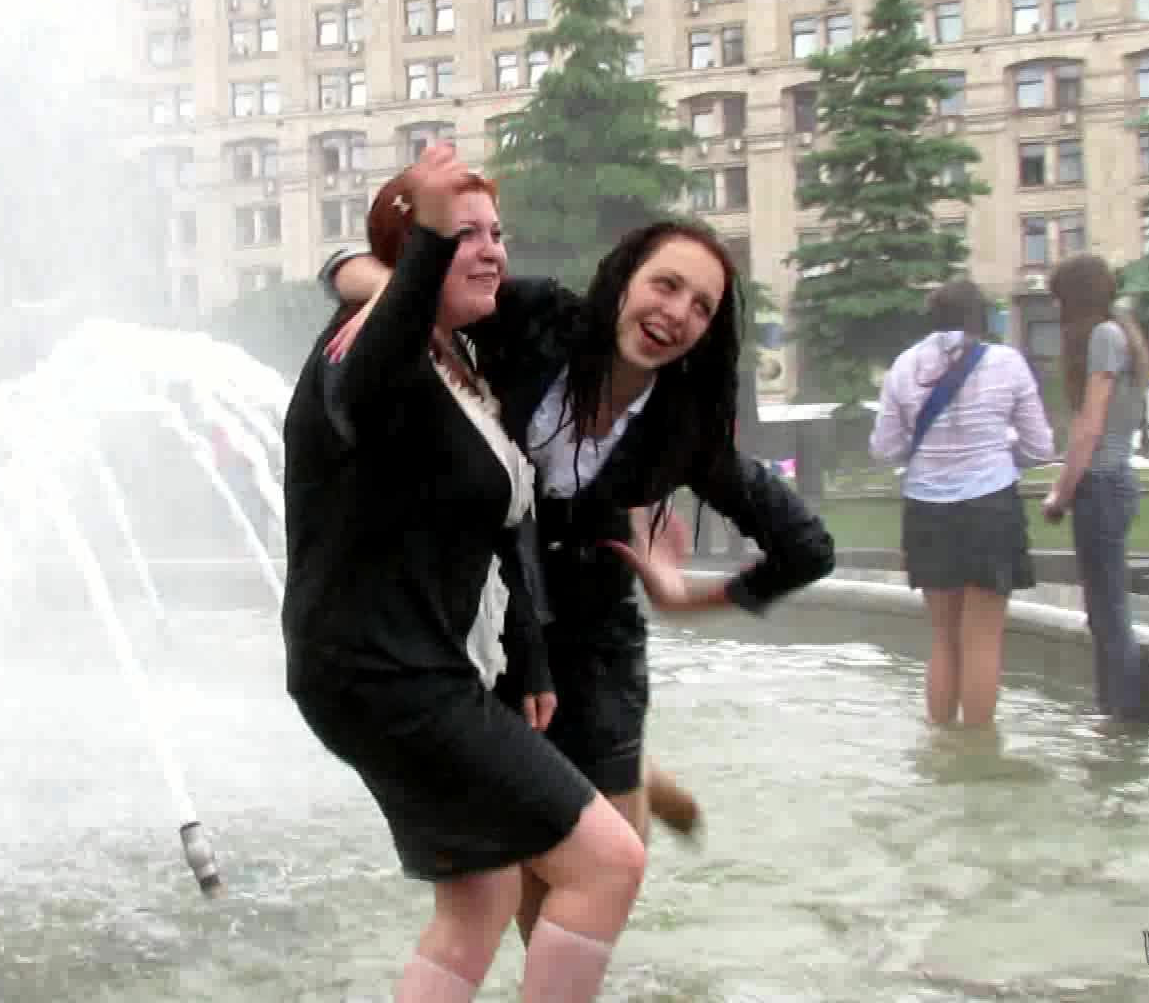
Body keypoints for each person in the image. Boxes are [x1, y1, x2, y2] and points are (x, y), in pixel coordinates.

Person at [324, 207, 835, 940]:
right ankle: (635, 786)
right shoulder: (537, 318)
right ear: (623, 281)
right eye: (666, 285)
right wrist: (395, 298)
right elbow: (343, 266)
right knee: (534, 872)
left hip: (596, 645)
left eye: (701, 306)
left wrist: (687, 598)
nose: (677, 313)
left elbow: (807, 548)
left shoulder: (682, 426)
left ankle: (628, 774)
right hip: (495, 629)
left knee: (596, 885)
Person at [283, 144, 646, 1003]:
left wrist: (531, 658)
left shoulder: (457, 361)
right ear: (414, 255)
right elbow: (367, 373)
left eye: (496, 234)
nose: (490, 251)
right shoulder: (364, 354)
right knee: (608, 863)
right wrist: (413, 253)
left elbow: (504, 525)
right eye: (464, 235)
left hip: (408, 667)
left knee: (482, 896)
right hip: (385, 675)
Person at [871, 279, 1055, 728]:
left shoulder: (904, 366)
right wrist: (1000, 454)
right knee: (982, 640)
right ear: (981, 318)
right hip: (990, 506)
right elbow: (1040, 447)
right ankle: (977, 751)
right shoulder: (1006, 363)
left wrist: (928, 452)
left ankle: (941, 742)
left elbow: (885, 448)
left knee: (942, 638)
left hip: (926, 508)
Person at [1040, 255, 1149, 725]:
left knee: (1107, 611)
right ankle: (1113, 711)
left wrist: (1060, 493)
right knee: (1104, 609)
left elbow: (1089, 426)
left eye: (1059, 300)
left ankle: (1123, 716)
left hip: (1102, 484)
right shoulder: (1121, 330)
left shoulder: (1104, 337)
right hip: (1111, 481)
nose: (1056, 310)